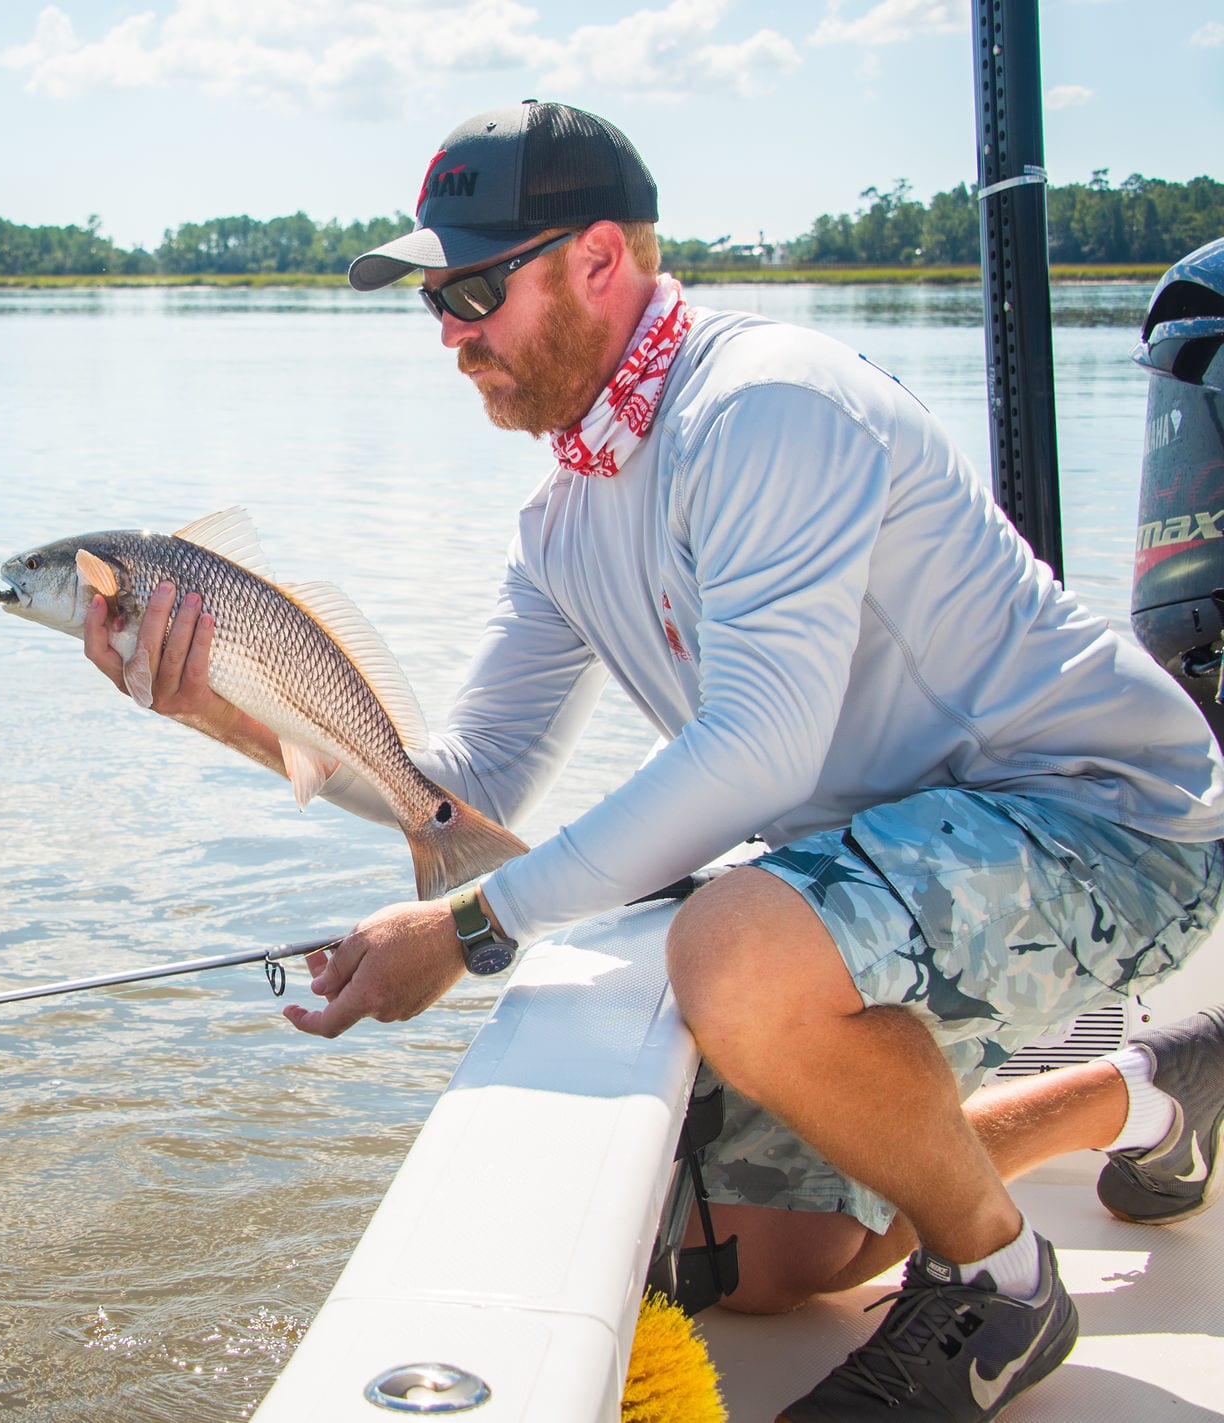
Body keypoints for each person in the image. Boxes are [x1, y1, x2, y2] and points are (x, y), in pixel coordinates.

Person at [81, 100, 1224, 1421]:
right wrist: (234, 714)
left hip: (1112, 816)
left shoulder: (766, 408)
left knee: (732, 950)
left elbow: (761, 745)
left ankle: (1009, 1288)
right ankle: (1139, 1096)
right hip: (896, 857)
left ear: (603, 258)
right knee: (762, 1256)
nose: (450, 334)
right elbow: (467, 787)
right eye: (433, 301)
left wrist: (469, 929)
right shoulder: (564, 515)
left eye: (474, 289)